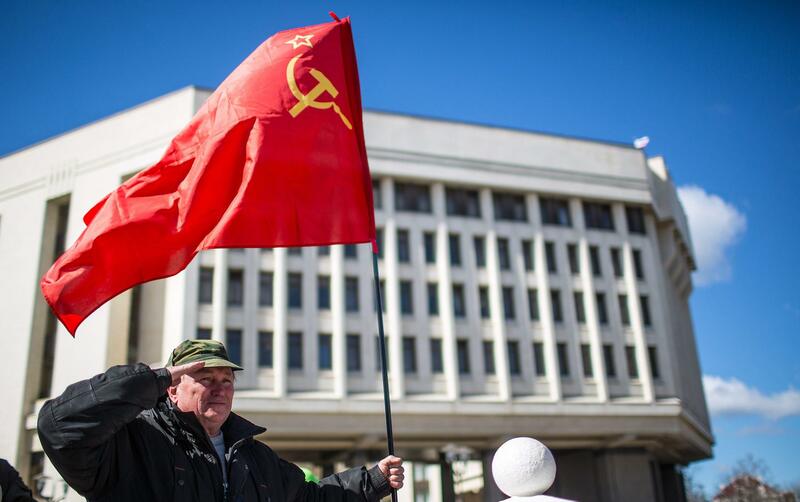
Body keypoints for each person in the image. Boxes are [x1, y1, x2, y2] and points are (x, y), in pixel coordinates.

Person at [38, 339, 404, 501]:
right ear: (173, 390)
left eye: (227, 380)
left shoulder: (254, 458)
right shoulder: (131, 444)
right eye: (205, 379)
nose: (220, 389)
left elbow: (312, 499)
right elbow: (60, 427)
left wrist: (374, 480)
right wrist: (154, 377)